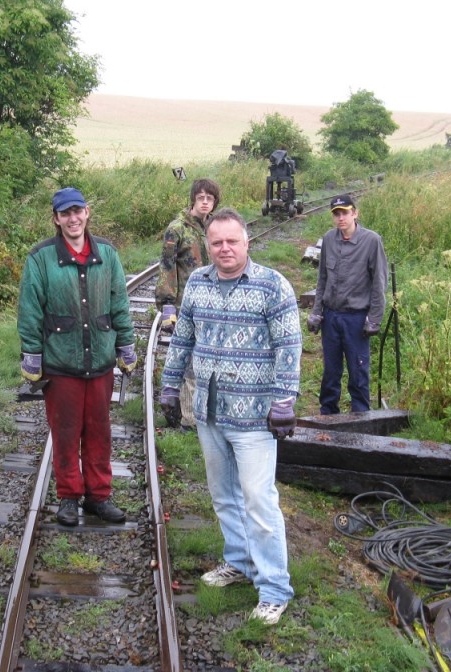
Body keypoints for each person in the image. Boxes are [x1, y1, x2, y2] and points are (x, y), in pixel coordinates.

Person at [159, 208, 302, 625]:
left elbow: (288, 347)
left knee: (259, 501)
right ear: (207, 245)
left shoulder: (273, 286)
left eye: (232, 241)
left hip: (256, 416)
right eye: (216, 242)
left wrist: (284, 401)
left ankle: (275, 588)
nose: (224, 249)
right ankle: (238, 562)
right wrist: (170, 387)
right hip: (208, 410)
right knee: (224, 496)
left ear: (246, 241)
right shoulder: (199, 284)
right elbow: (182, 339)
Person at [17, 187, 138, 527]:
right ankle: (69, 496)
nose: (72, 218)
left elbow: (120, 305)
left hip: (100, 361)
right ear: (56, 219)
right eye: (64, 213)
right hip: (61, 363)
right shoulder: (40, 258)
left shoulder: (108, 255)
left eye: (77, 211)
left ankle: (99, 496)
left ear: (87, 213)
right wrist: (31, 354)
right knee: (66, 431)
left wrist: (125, 346)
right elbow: (30, 310)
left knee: (100, 430)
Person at [306, 194, 388, 413]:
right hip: (331, 317)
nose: (341, 218)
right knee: (331, 370)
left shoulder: (371, 241)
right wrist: (316, 312)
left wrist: (375, 319)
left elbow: (379, 283)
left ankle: (360, 415)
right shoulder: (329, 240)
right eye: (336, 214)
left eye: (345, 213)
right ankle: (328, 414)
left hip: (356, 318)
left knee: (358, 369)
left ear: (355, 213)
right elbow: (322, 279)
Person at [155, 178, 221, 428]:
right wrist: (167, 305)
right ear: (193, 199)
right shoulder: (177, 229)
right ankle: (187, 419)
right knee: (188, 363)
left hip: (214, 304)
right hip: (186, 306)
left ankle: (205, 413)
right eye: (201, 197)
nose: (205, 202)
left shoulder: (215, 226)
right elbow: (166, 266)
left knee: (209, 359)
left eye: (210, 198)